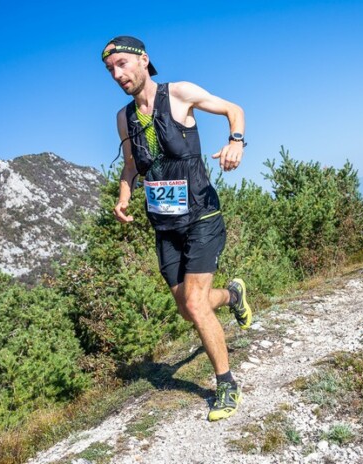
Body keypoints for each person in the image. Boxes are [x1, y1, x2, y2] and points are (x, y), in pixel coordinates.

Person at [102, 36, 252, 421]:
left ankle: (226, 385)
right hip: (165, 225)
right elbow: (131, 166)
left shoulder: (179, 94)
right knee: (187, 309)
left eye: (122, 64)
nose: (117, 74)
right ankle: (233, 296)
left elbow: (233, 109)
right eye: (110, 69)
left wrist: (236, 142)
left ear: (143, 61)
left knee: (197, 304)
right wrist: (123, 197)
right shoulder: (124, 118)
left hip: (201, 214)